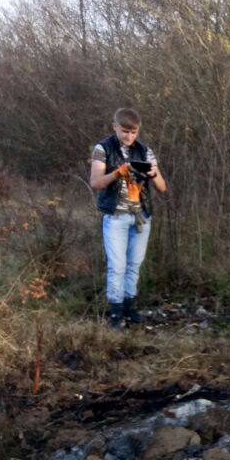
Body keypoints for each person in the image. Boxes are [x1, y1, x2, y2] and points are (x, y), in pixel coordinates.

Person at [89, 107, 167, 329]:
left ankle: (129, 307)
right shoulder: (103, 149)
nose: (129, 136)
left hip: (141, 216)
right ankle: (116, 313)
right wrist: (117, 173)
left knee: (134, 264)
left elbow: (162, 187)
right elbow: (96, 182)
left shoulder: (145, 151)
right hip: (116, 216)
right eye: (125, 131)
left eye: (134, 132)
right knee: (117, 265)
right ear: (115, 127)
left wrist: (153, 174)